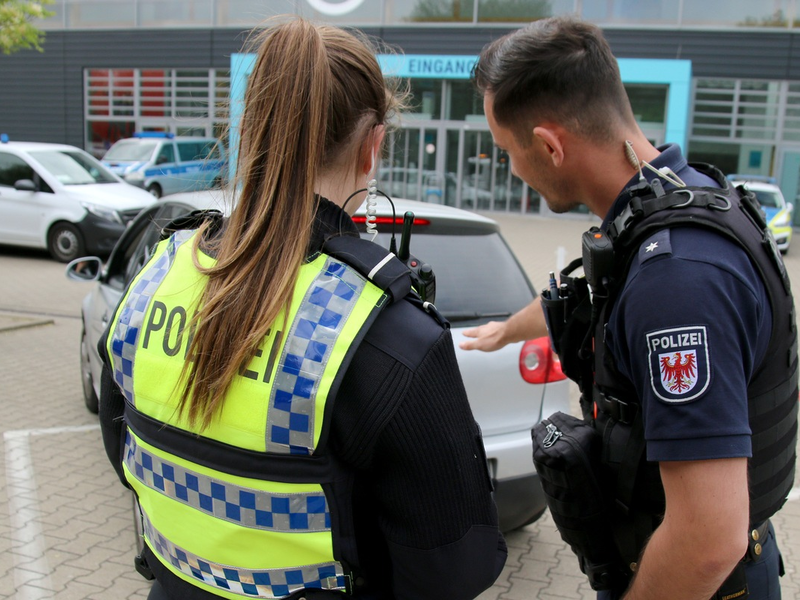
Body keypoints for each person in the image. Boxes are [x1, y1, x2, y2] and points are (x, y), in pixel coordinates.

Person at [98, 19, 506, 600]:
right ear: (373, 146)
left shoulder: (157, 278)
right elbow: (454, 568)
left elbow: (124, 451)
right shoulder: (388, 334)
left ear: (252, 131)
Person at [465, 16, 797, 600]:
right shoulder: (668, 197)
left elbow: (707, 538)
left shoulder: (677, 278)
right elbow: (591, 298)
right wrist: (506, 332)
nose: (512, 170)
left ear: (549, 146)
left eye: (508, 151)